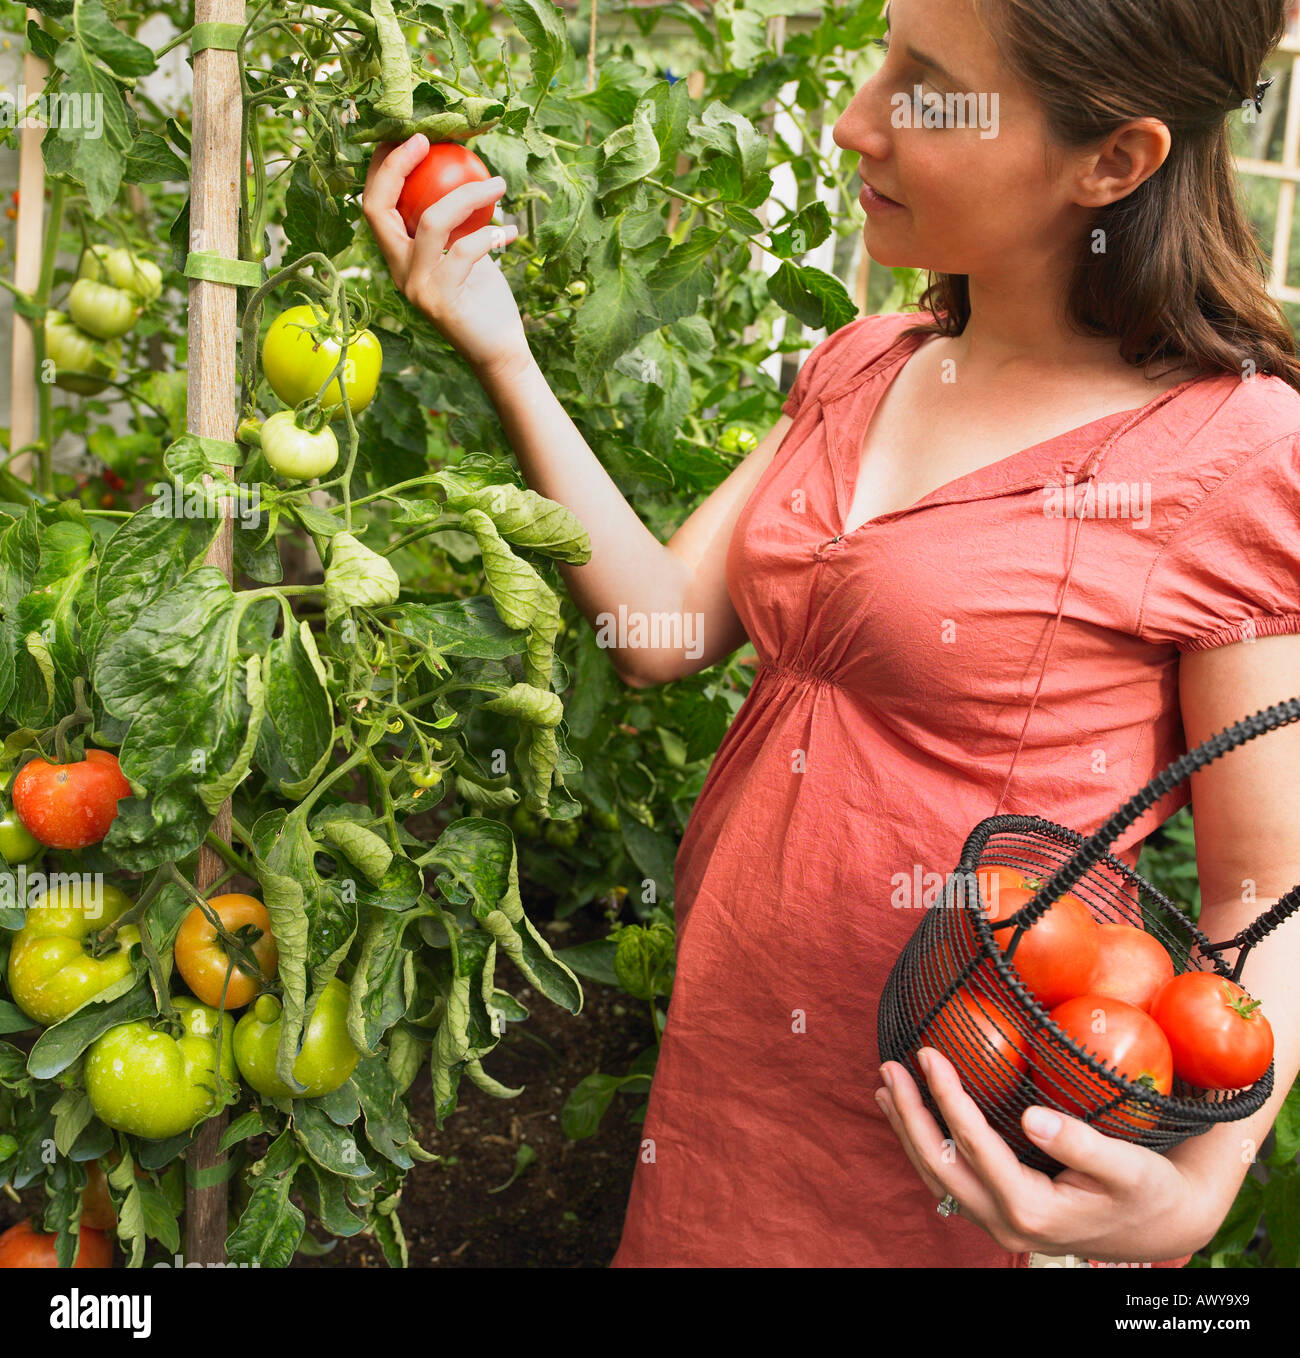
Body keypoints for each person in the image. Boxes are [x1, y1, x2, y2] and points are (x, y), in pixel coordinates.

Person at [363, 0, 1300, 1268]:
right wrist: (504, 351)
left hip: (954, 1133)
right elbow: (658, 629)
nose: (859, 120)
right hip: (724, 1072)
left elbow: (1264, 891)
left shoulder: (1227, 452)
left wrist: (1194, 1186)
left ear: (1113, 161)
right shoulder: (868, 361)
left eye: (926, 90)